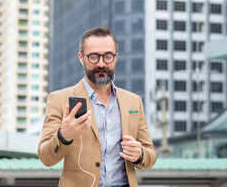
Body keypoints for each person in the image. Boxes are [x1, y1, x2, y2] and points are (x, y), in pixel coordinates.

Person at [38, 27, 156, 187]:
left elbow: (150, 155)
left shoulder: (133, 101)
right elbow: (46, 158)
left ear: (116, 57)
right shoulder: (58, 99)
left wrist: (140, 155)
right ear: (81, 57)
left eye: (108, 56)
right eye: (93, 57)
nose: (101, 63)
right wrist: (63, 136)